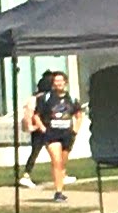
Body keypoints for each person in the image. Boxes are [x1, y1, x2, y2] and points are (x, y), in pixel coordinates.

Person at [21, 67, 80, 202]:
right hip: (52, 135)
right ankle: (58, 192)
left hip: (67, 134)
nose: (59, 83)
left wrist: (75, 129)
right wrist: (42, 128)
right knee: (56, 161)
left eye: (61, 81)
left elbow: (78, 115)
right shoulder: (46, 98)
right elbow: (36, 115)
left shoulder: (71, 98)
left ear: (65, 82)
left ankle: (60, 187)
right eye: (56, 81)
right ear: (53, 83)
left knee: (63, 164)